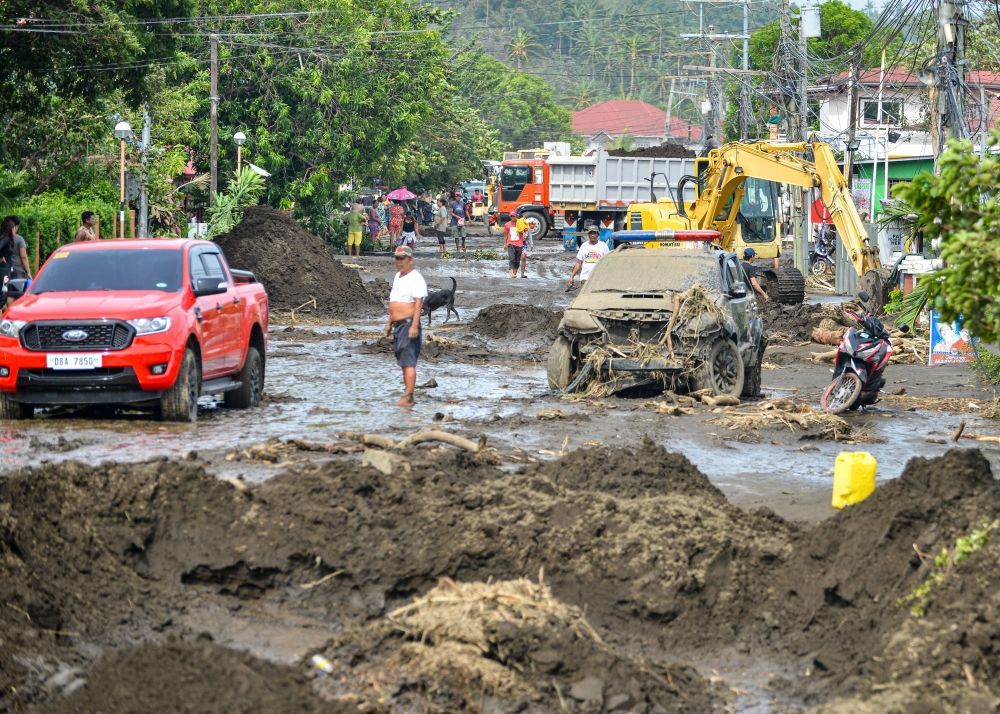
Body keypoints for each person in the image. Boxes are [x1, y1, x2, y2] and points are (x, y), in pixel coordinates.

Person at [383, 245, 427, 407]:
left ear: (410, 260)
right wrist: (389, 323)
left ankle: (409, 395)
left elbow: (418, 304)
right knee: (403, 360)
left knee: (408, 361)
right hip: (398, 325)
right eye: (397, 258)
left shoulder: (416, 278)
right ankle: (408, 394)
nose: (399, 262)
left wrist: (414, 325)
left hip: (408, 324)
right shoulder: (397, 277)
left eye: (402, 258)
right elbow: (394, 302)